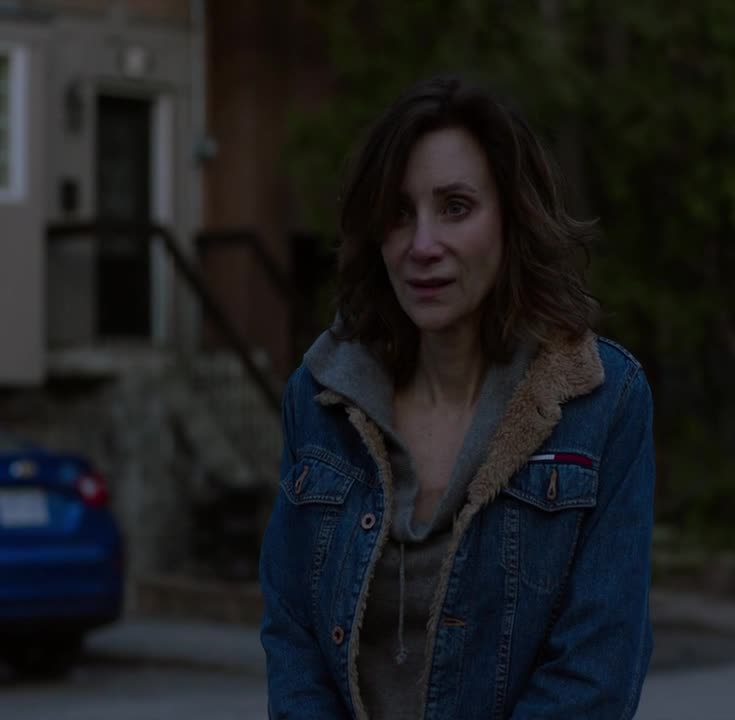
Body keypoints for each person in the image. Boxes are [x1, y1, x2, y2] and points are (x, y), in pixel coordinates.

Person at [259, 75, 655, 720]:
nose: (422, 246)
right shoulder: (322, 395)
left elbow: (597, 667)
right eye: (399, 213)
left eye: (455, 207)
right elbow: (292, 627)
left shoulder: (603, 401)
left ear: (511, 219)